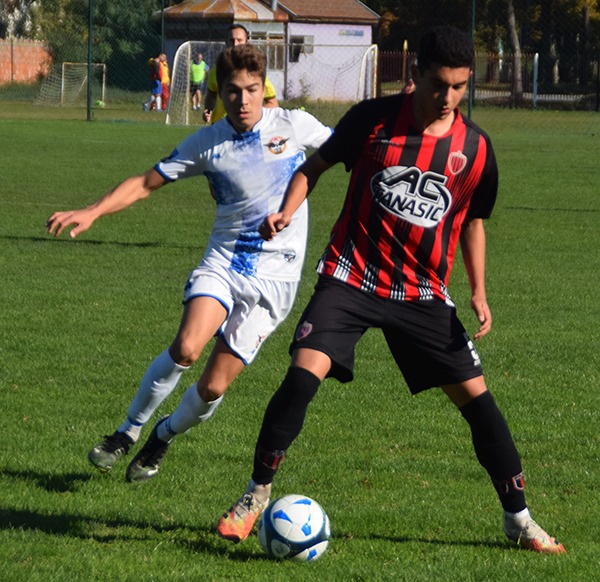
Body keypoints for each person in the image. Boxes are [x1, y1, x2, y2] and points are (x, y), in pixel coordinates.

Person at [216, 26, 566, 555]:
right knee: (302, 376)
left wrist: (479, 290)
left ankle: (518, 518)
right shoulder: (372, 120)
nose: (446, 97)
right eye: (437, 84)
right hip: (350, 275)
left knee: (480, 404)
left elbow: (472, 220)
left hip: (422, 292)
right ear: (415, 75)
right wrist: (286, 211)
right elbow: (314, 166)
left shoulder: (475, 149)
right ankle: (256, 493)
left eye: (458, 87)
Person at [46, 45, 332, 483]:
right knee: (186, 348)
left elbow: (352, 147)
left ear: (264, 87)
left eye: (252, 90)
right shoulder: (207, 143)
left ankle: (162, 436)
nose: (243, 101)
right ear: (221, 92)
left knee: (214, 386)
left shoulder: (293, 125)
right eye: (233, 92)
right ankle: (126, 432)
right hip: (225, 261)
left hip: (277, 280)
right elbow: (146, 182)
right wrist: (92, 211)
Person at [203, 24, 278, 124]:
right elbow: (211, 95)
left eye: (239, 40)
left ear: (246, 43)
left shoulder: (254, 72)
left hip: (243, 130)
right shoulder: (216, 70)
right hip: (219, 129)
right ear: (226, 43)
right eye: (231, 40)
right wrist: (208, 110)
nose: (235, 44)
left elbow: (273, 103)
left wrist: (252, 115)